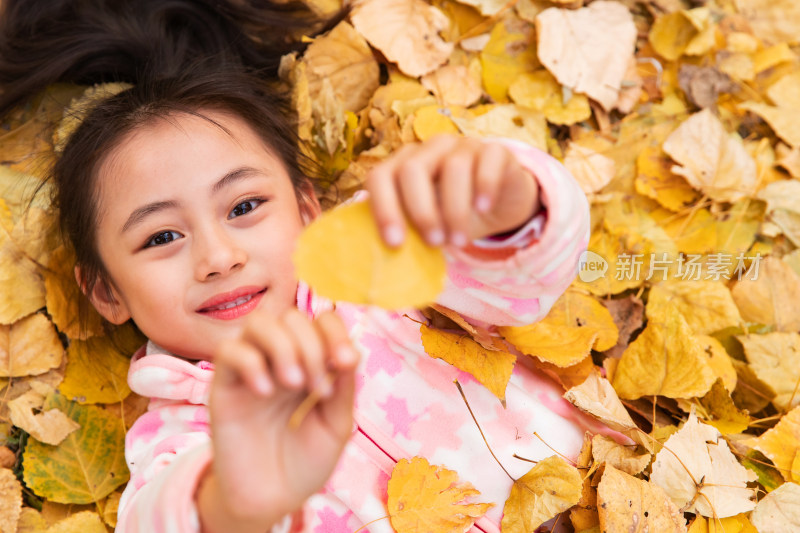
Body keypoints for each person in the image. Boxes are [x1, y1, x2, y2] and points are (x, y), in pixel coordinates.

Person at [0, 1, 597, 531]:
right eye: (161, 236)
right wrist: (235, 498)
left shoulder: (377, 261)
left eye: (244, 206)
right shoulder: (179, 444)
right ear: (106, 291)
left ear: (308, 209)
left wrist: (506, 205)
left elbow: (525, 279)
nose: (218, 257)